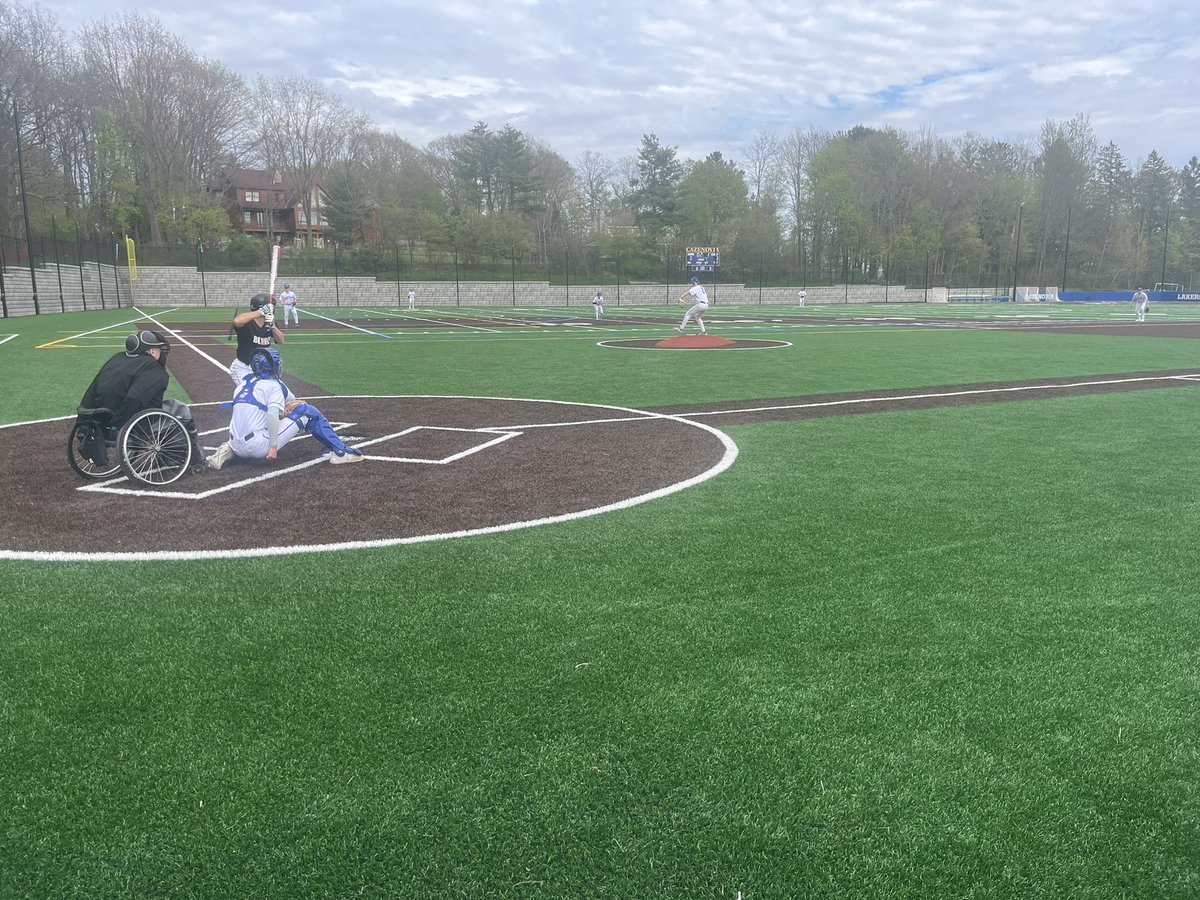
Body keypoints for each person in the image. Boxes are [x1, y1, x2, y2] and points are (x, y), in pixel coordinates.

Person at [207, 348, 364, 469]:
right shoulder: (274, 385)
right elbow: (275, 413)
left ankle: (227, 449)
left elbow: (289, 402)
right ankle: (342, 452)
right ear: (273, 366)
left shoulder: (242, 384)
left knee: (264, 415)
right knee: (309, 413)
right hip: (257, 446)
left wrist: (288, 407)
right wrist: (273, 447)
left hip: (235, 443)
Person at [77, 330, 197, 464]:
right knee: (180, 410)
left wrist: (82, 419)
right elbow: (135, 399)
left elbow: (93, 388)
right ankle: (193, 457)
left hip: (100, 419)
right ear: (152, 351)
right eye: (158, 349)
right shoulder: (154, 369)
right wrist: (119, 425)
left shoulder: (117, 358)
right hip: (130, 423)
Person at [229, 292, 285, 387]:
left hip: (263, 369)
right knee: (254, 394)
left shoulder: (270, 322)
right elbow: (236, 321)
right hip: (243, 368)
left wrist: (273, 326)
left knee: (286, 395)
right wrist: (261, 312)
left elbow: (281, 341)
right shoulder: (247, 322)